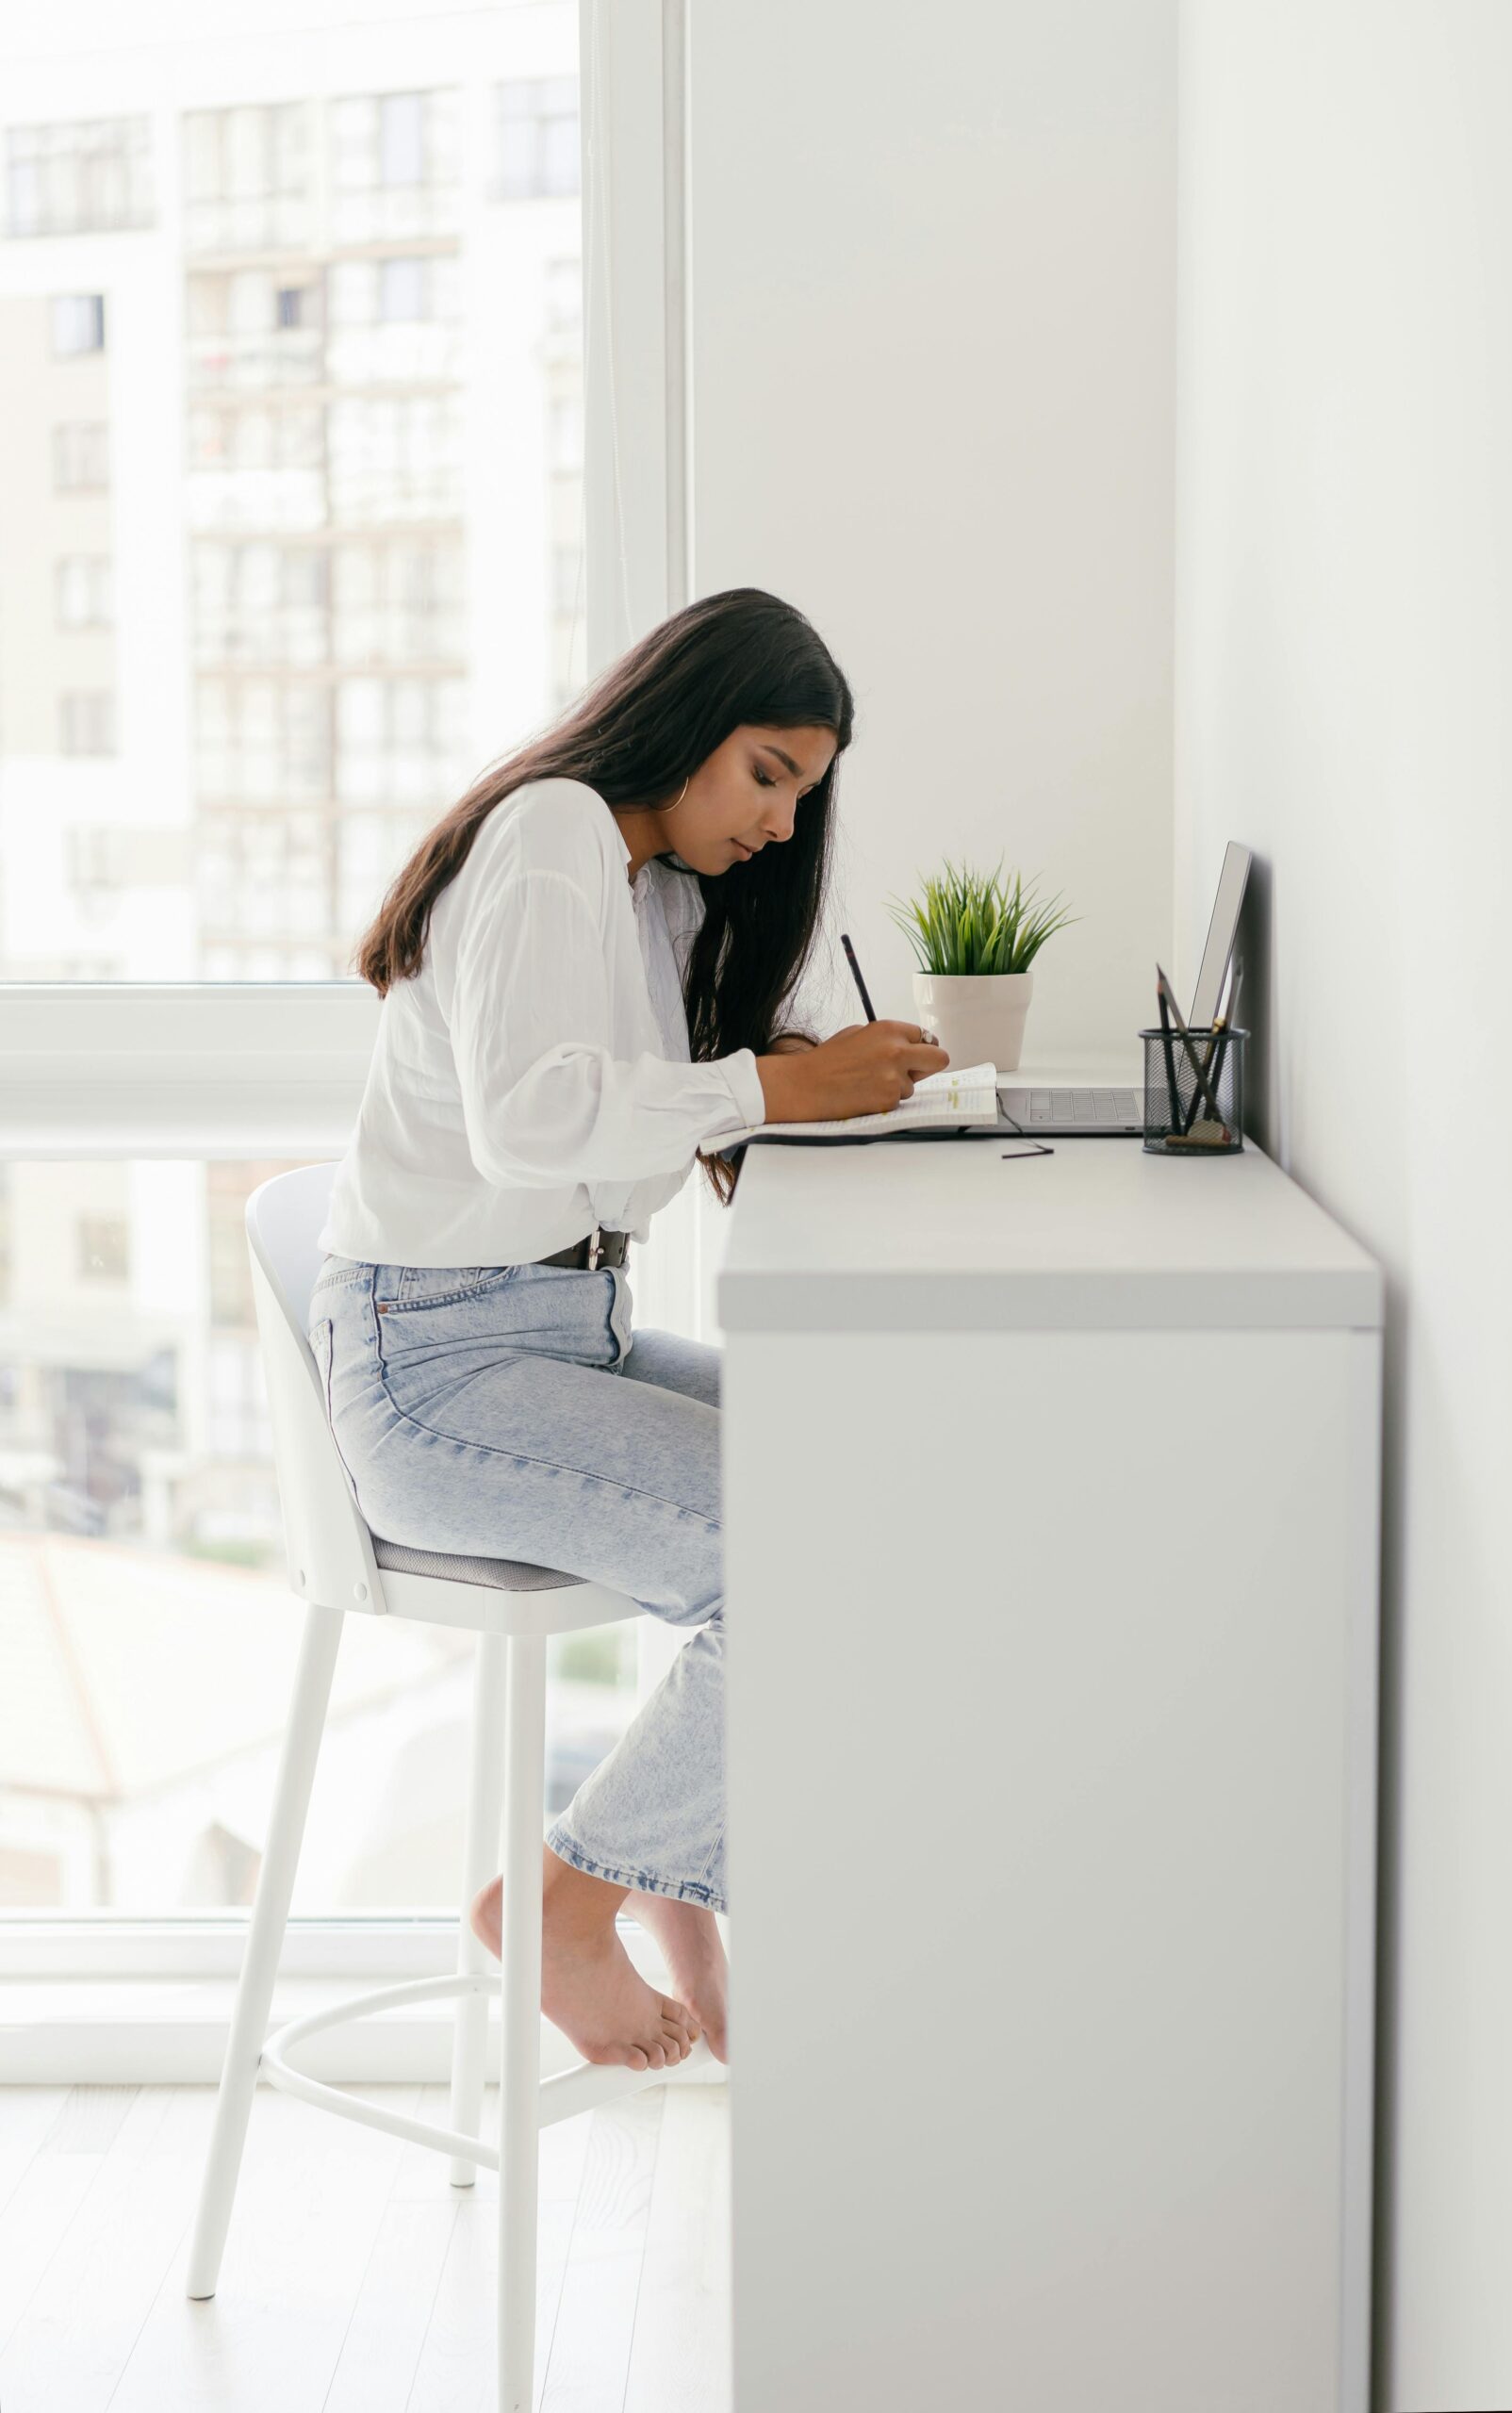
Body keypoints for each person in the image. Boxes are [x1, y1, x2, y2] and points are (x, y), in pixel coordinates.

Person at [307, 587, 947, 2072]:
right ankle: (563, 1909)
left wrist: (767, 1070)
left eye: (806, 791)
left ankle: (665, 1892)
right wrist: (771, 1091)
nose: (783, 824)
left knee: (871, 1495)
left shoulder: (647, 885)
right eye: (768, 773)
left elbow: (598, 1135)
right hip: (436, 1370)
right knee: (792, 1561)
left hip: (548, 1337)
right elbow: (534, 1126)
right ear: (682, 717)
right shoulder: (549, 835)